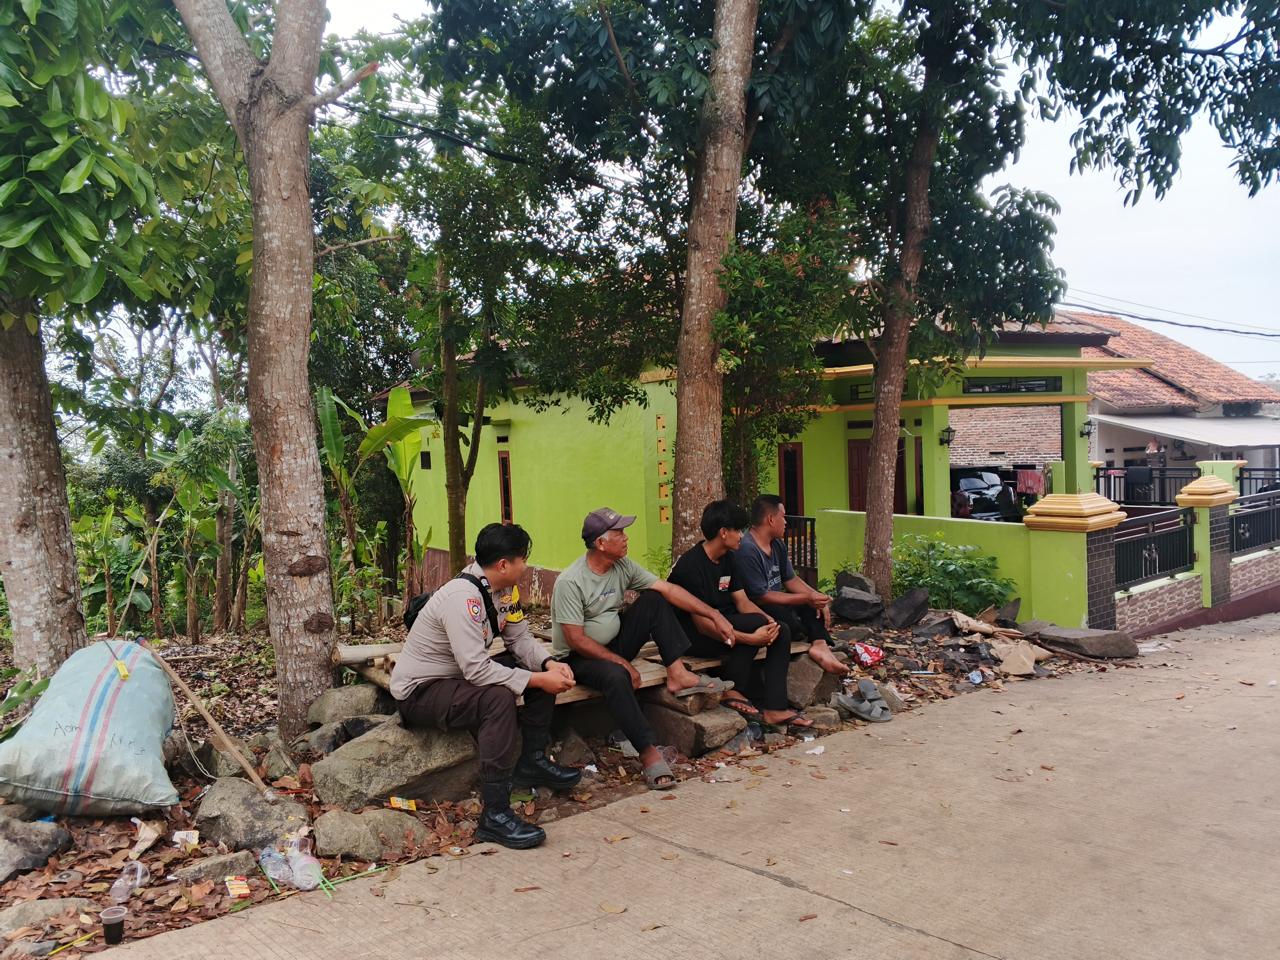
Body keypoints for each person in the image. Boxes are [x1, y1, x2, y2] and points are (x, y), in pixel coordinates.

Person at [391, 523, 580, 850]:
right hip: (421, 691)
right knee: (498, 698)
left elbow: (520, 640)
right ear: (504, 564)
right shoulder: (462, 598)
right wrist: (538, 680)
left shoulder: (504, 592)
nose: (526, 566)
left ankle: (531, 762)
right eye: (523, 560)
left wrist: (549, 665)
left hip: (457, 679)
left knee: (530, 671)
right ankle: (495, 813)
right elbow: (477, 670)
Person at [551, 507, 737, 790]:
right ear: (601, 543)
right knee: (616, 676)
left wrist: (713, 614)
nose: (626, 538)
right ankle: (648, 753)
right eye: (619, 533)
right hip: (578, 657)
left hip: (614, 645)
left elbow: (669, 590)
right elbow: (576, 639)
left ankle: (677, 673)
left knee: (655, 599)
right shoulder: (571, 581)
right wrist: (622, 663)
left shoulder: (622, 566)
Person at [667, 500, 814, 731]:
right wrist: (750, 638)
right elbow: (703, 625)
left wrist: (770, 623)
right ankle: (733, 688)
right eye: (737, 530)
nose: (741, 536)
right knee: (755, 625)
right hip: (694, 637)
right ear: (723, 533)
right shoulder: (690, 566)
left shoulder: (729, 558)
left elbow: (742, 601)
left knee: (781, 629)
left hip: (727, 625)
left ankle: (775, 708)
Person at [738, 495, 849, 675]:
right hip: (759, 607)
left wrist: (817, 598)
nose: (786, 522)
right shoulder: (747, 549)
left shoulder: (777, 544)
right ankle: (811, 634)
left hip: (778, 601)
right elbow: (762, 596)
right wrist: (807, 598)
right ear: (771, 519)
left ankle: (820, 645)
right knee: (789, 620)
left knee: (813, 607)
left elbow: (791, 580)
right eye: (783, 517)